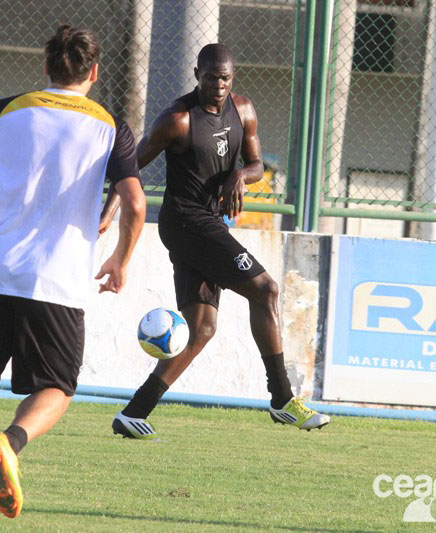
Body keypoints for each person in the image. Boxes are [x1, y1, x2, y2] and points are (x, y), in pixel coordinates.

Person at [0, 25, 146, 521]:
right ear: (94, 72)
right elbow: (136, 203)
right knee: (56, 390)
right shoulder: (109, 125)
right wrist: (119, 258)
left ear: (46, 67)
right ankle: (11, 443)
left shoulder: (6, 109)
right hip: (55, 280)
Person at [102, 43, 329, 440]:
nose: (219, 85)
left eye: (225, 78)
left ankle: (134, 412)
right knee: (266, 289)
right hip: (186, 222)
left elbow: (257, 165)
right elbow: (130, 166)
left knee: (202, 329)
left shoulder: (243, 109)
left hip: (210, 224)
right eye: (211, 78)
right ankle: (282, 399)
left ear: (233, 77)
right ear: (197, 75)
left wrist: (239, 175)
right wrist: (107, 215)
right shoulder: (176, 120)